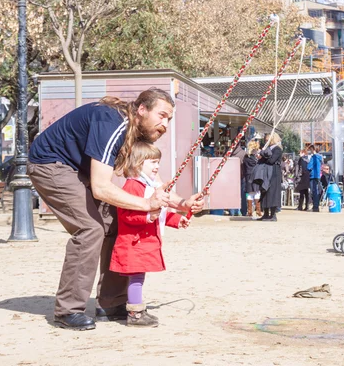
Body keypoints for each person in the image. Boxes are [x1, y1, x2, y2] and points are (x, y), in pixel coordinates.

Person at [28, 88, 204, 330]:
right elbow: (101, 187)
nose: (165, 124)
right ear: (142, 109)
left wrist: (182, 203)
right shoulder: (113, 124)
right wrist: (145, 205)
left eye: (169, 119)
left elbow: (151, 184)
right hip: (50, 164)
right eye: (162, 115)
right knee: (90, 229)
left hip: (79, 171)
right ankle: (68, 310)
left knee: (116, 223)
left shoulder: (136, 129)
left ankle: (111, 304)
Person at [109, 141, 190, 327]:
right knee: (136, 277)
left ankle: (134, 310)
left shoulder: (149, 186)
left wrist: (178, 220)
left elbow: (159, 213)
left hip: (141, 241)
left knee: (138, 277)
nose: (157, 166)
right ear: (138, 163)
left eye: (158, 162)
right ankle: (135, 314)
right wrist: (147, 217)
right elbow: (127, 214)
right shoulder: (133, 186)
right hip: (134, 242)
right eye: (153, 162)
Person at [257, 132, 283, 221]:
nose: (266, 142)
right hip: (266, 173)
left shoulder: (277, 149)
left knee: (273, 193)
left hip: (274, 173)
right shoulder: (267, 149)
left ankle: (273, 215)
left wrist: (264, 154)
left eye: (267, 140)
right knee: (265, 192)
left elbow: (271, 160)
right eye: (265, 140)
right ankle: (265, 214)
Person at [243, 140, 262, 218]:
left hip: (248, 176)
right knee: (257, 193)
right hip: (255, 176)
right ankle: (258, 211)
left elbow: (244, 168)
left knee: (250, 194)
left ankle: (250, 211)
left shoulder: (246, 157)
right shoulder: (255, 158)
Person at [229, 142, 246, 217]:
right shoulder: (244, 153)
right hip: (241, 176)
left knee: (232, 194)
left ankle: (232, 211)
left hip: (231, 177)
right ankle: (243, 211)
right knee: (242, 195)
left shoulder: (229, 153)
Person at [307, 144, 323, 212]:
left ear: (313, 149)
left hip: (313, 176)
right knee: (316, 191)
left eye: (311, 149)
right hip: (318, 175)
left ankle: (315, 206)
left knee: (313, 192)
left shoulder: (313, 157)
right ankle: (316, 206)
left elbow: (308, 167)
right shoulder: (320, 157)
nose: (310, 151)